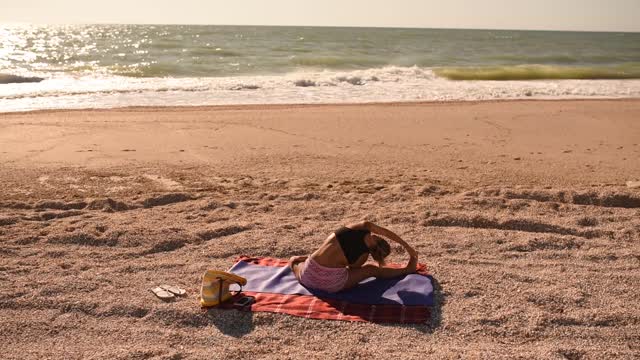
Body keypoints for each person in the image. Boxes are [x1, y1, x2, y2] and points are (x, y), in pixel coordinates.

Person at [289, 221, 418, 293]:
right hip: (331, 284)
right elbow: (351, 268)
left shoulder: (359, 227)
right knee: (371, 270)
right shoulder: (361, 259)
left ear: (378, 237)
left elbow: (387, 232)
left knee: (293, 261)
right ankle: (407, 270)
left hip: (308, 275)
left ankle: (300, 259)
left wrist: (407, 246)